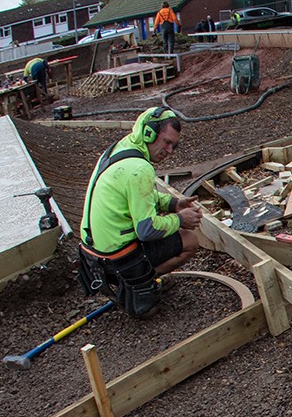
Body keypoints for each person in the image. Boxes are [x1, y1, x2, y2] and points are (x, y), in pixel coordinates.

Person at [80, 105, 203, 284]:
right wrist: (180, 219)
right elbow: (147, 230)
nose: (169, 151)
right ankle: (142, 286)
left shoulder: (121, 148)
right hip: (117, 259)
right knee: (190, 241)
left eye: (174, 146)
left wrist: (172, 203)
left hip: (93, 255)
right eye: (167, 142)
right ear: (149, 134)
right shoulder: (140, 169)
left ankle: (135, 281)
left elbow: (135, 197)